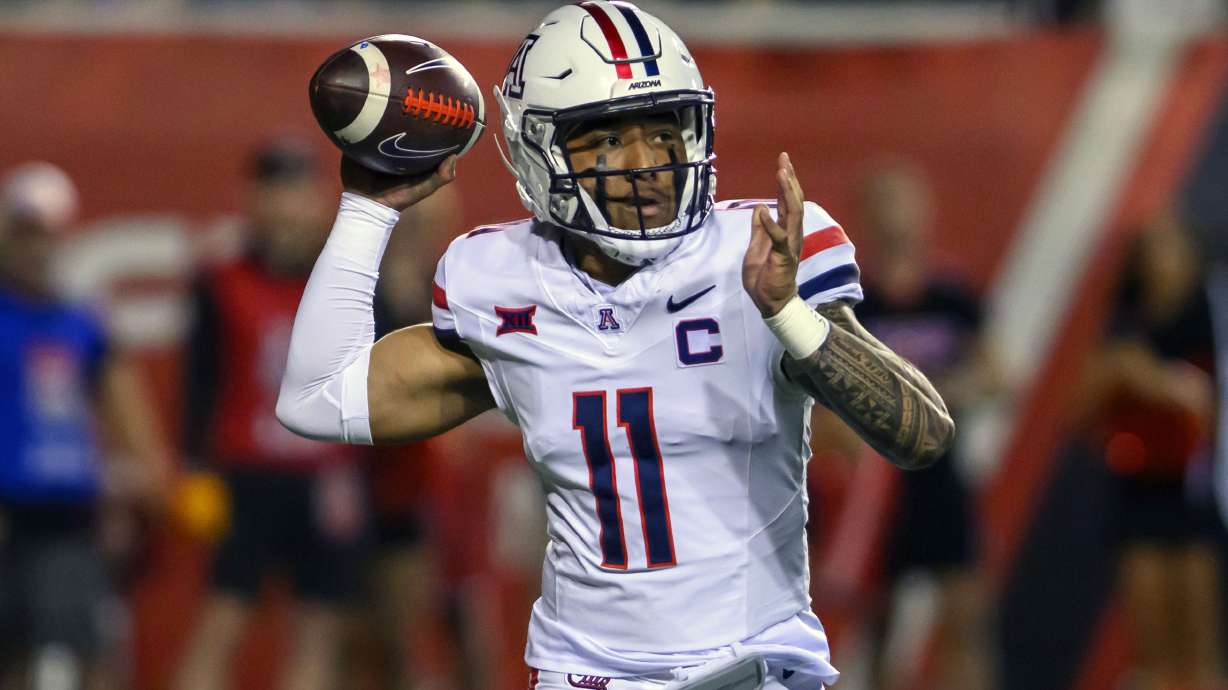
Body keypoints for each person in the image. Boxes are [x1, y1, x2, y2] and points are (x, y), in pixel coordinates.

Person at [276, 3, 953, 689]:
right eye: (605, 139)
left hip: (752, 666)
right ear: (539, 152)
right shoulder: (500, 281)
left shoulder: (754, 256)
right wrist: (367, 209)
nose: (645, 165)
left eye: (664, 133)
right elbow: (317, 397)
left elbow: (922, 434)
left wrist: (787, 315)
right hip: (587, 675)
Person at [173, 138, 371, 690]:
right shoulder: (222, 280)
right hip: (249, 470)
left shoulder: (344, 280)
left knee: (319, 626)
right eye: (275, 193)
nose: (287, 207)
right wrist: (193, 466)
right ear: (252, 200)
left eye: (298, 193)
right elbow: (200, 379)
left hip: (327, 474)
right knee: (223, 617)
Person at [0, 162, 170, 690]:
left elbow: (125, 406)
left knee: (92, 653)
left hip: (74, 513)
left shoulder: (82, 322)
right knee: (13, 654)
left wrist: (151, 477)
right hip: (8, 512)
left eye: (46, 235)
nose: (36, 249)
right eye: (25, 234)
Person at [850, 163, 1000, 690]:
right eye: (885, 204)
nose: (897, 218)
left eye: (905, 203)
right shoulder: (851, 302)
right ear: (864, 217)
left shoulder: (951, 295)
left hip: (938, 473)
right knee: (880, 623)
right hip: (875, 486)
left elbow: (995, 373)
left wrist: (943, 394)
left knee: (965, 615)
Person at [1075, 213, 1224, 690]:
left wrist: (1166, 385)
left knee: (1200, 643)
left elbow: (1205, 409)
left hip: (1198, 493)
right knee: (1152, 643)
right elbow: (1080, 412)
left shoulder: (1211, 320)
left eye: (1172, 249)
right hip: (1139, 491)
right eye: (1152, 252)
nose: (1162, 263)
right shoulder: (1126, 329)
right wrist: (1124, 374)